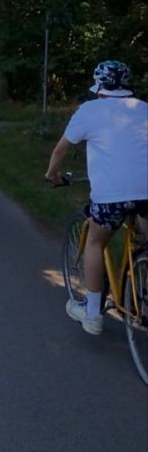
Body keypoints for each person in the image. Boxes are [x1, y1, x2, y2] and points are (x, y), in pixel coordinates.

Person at [45, 59, 148, 335]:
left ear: (99, 87)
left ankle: (92, 314)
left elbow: (60, 150)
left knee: (95, 242)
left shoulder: (90, 110)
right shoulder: (144, 109)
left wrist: (52, 175)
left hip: (111, 198)